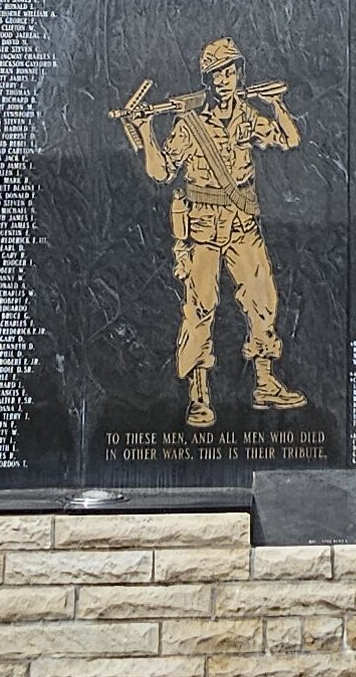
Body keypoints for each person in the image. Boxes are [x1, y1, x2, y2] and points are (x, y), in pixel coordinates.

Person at [118, 38, 309, 429]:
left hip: (243, 225)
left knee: (262, 301)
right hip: (202, 230)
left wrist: (277, 104)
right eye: (216, 73)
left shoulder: (248, 115)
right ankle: (199, 394)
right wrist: (146, 132)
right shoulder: (189, 124)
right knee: (200, 308)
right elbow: (161, 172)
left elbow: (289, 139)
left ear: (239, 72)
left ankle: (265, 380)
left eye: (229, 70)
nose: (224, 79)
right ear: (206, 80)